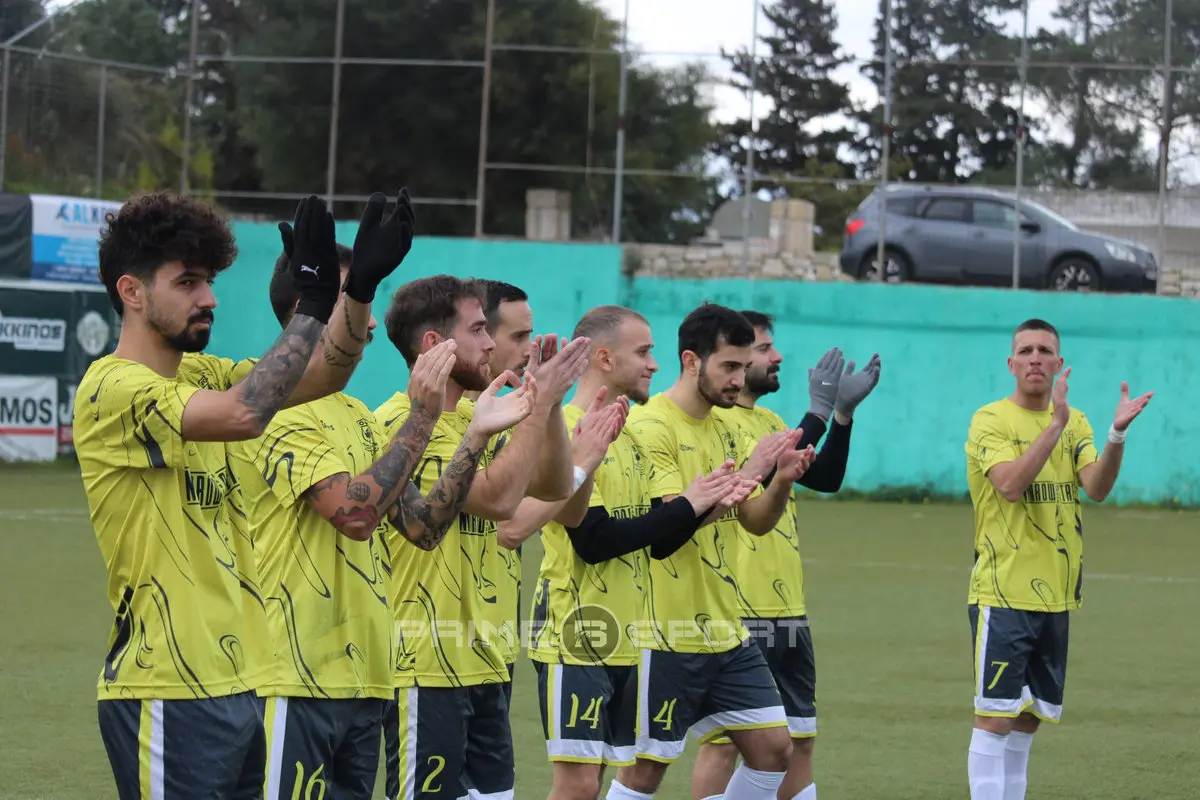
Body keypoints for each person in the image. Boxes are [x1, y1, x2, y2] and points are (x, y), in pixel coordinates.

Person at [75, 191, 382, 798]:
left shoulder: (203, 375)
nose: (209, 298)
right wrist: (313, 301)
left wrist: (358, 291)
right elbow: (245, 413)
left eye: (209, 282)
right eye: (187, 282)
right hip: (167, 684)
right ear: (131, 291)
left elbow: (326, 373)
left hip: (245, 682)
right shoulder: (112, 387)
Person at [505, 305, 758, 800]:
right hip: (575, 633)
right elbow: (592, 540)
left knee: (598, 779)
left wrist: (702, 505)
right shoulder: (568, 430)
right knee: (578, 784)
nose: (654, 365)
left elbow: (656, 540)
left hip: (628, 635)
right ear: (604, 358)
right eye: (644, 352)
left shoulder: (634, 437)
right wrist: (689, 504)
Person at [375, 275, 588, 800]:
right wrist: (539, 401)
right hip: (425, 665)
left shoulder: (481, 415)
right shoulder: (401, 424)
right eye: (478, 331)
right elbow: (498, 501)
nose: (492, 344)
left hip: (489, 660)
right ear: (435, 344)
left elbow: (554, 485)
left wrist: (548, 405)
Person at [608, 303, 819, 800]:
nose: (738, 379)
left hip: (725, 627)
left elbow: (755, 521)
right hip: (665, 630)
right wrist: (750, 473)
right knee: (645, 771)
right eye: (728, 366)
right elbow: (667, 532)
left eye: (744, 367)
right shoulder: (652, 427)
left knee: (775, 750)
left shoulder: (725, 426)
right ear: (690, 360)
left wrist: (780, 481)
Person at [692, 312, 881, 800]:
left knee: (799, 741)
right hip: (736, 607)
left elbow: (825, 478)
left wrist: (840, 417)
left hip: (786, 607)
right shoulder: (716, 422)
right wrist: (817, 413)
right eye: (763, 349)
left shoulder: (771, 421)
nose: (776, 357)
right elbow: (763, 466)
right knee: (724, 745)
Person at [963, 318, 1151, 800]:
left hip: (1057, 597)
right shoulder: (990, 420)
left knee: (1028, 721)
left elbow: (1097, 487)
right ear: (1011, 363)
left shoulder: (1077, 421)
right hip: (1003, 593)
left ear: (1058, 363)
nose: (1035, 359)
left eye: (1044, 351)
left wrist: (1116, 435)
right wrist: (1055, 426)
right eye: (1026, 351)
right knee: (994, 719)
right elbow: (1009, 484)